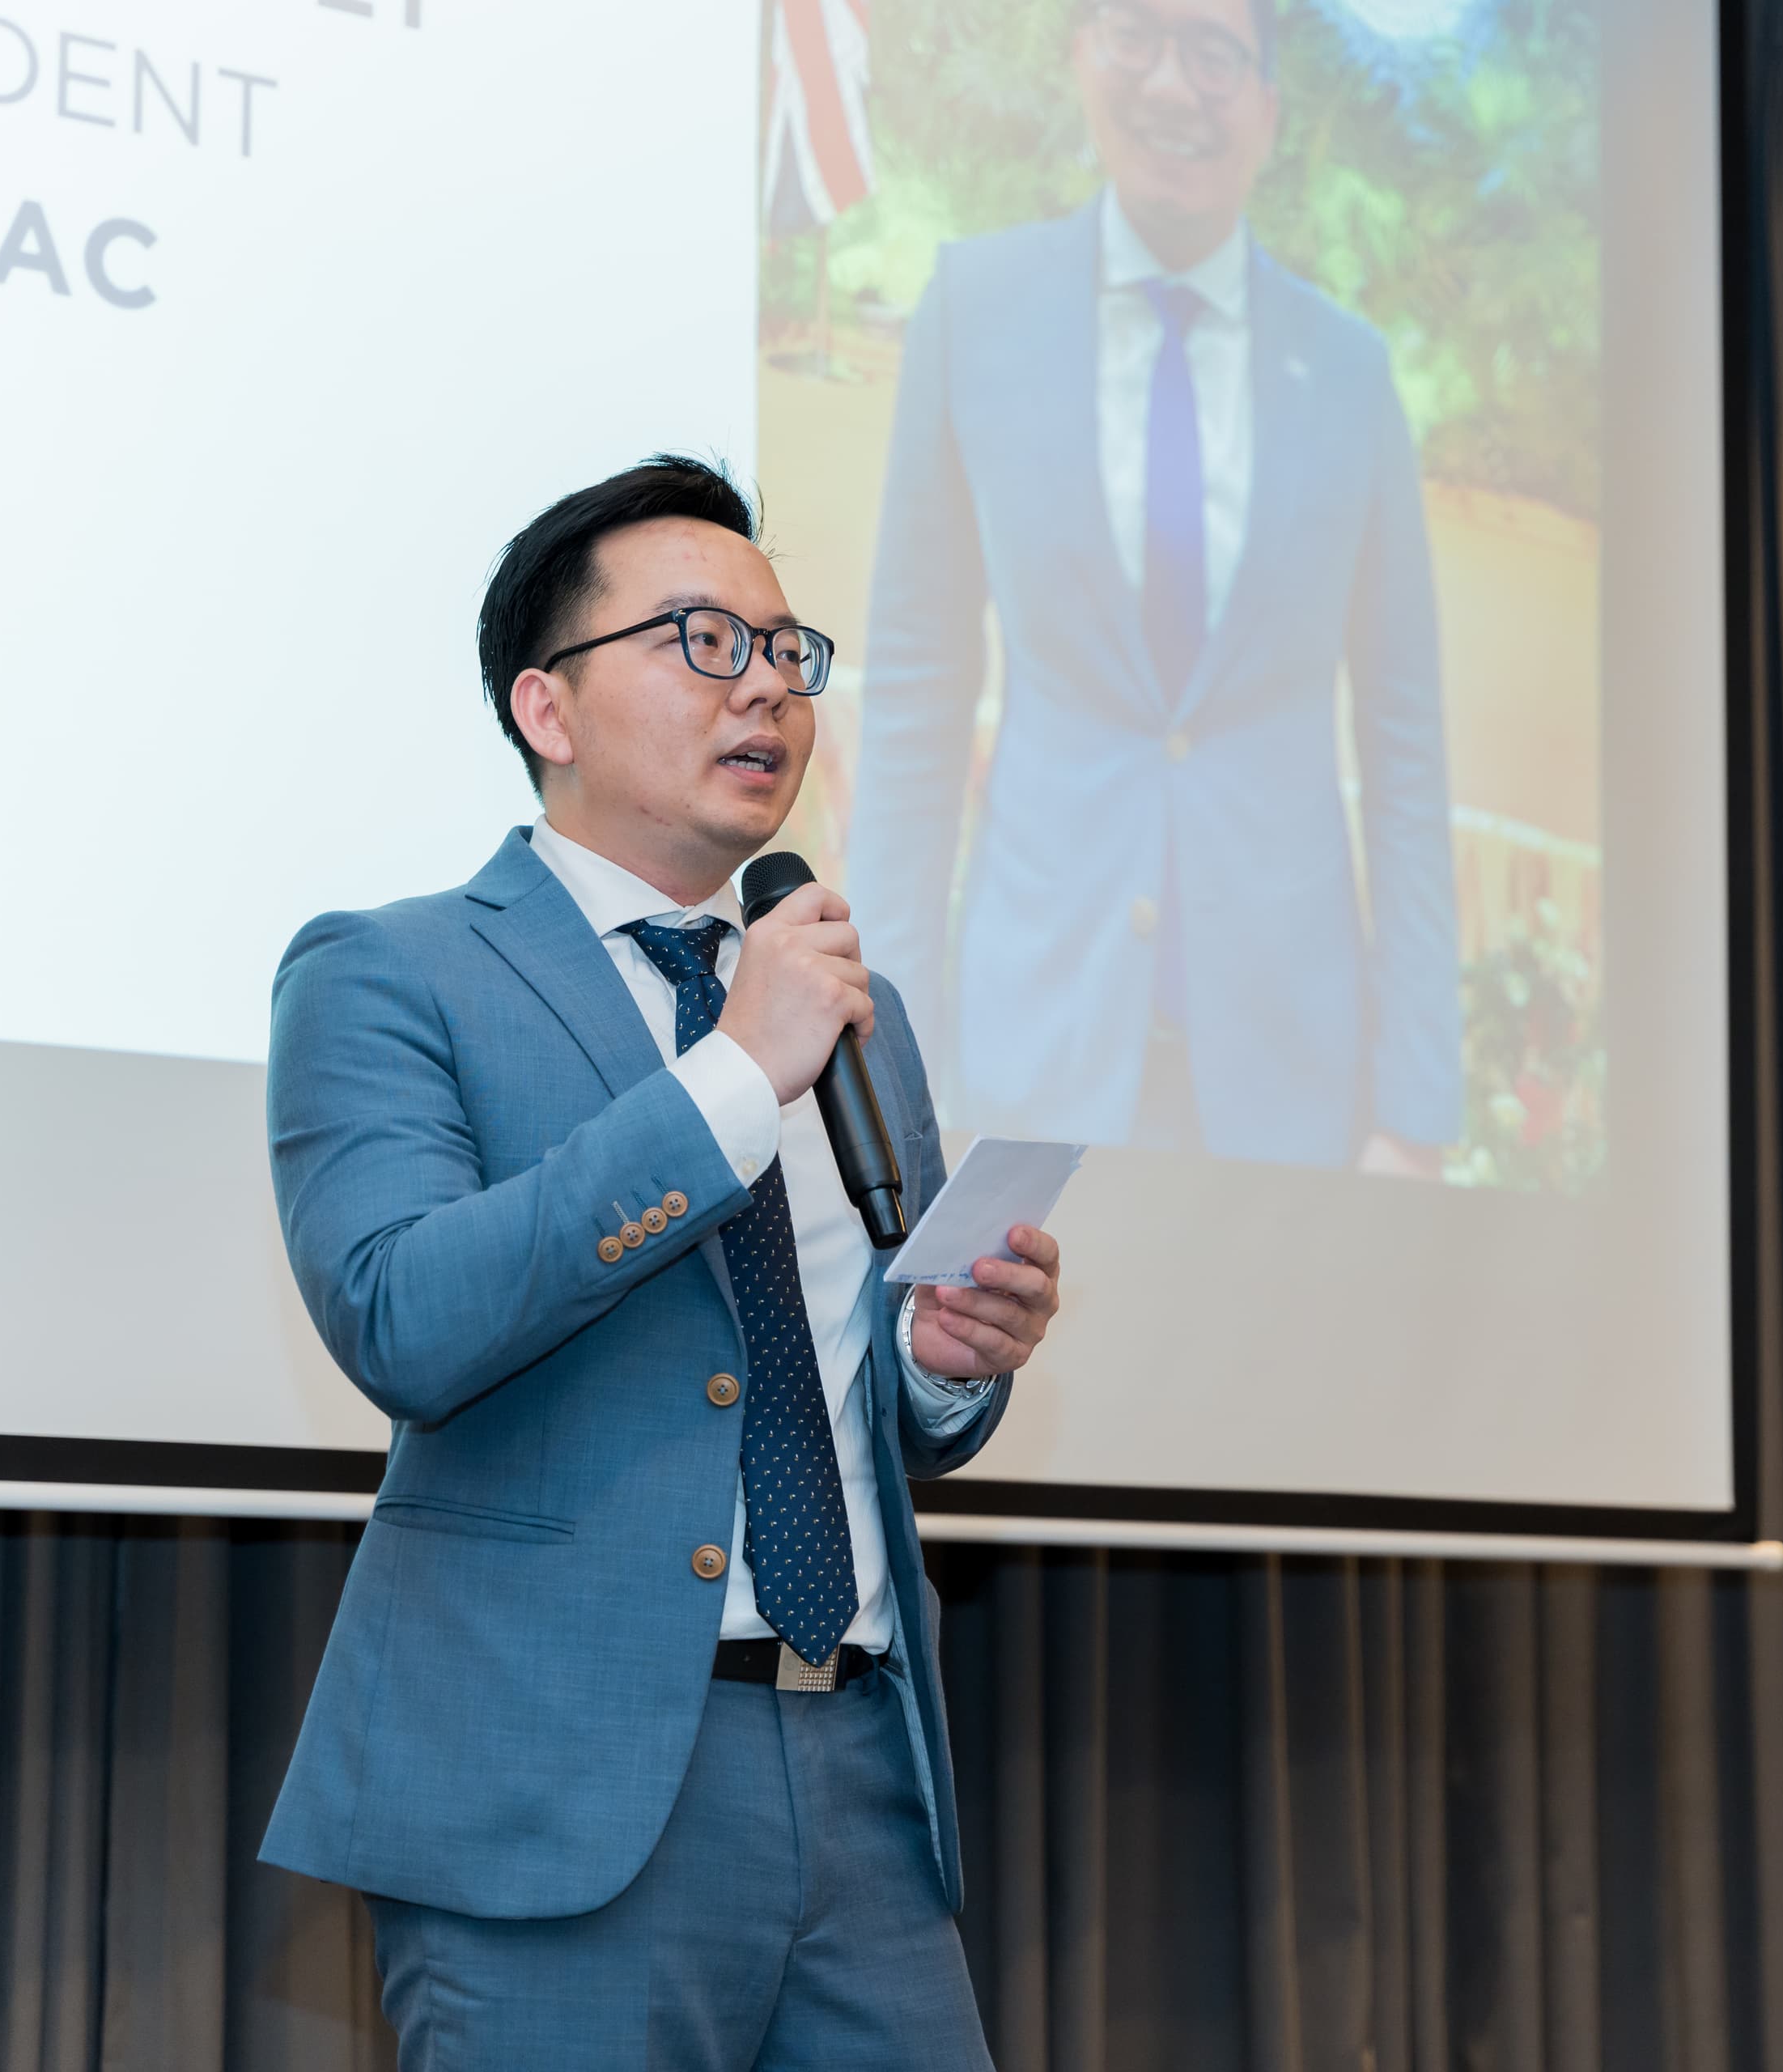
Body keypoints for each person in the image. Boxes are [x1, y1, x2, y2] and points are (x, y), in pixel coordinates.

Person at [261, 456, 1053, 2068]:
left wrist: (941, 1362)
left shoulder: (851, 1005)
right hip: (555, 1787)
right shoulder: (391, 972)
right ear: (546, 706)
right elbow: (402, 1314)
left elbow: (842, 1388)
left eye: (785, 650)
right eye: (703, 640)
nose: (766, 685)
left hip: (863, 1771)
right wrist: (731, 1077)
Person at [848, 0, 1462, 1173]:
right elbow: (918, 698)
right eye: (1139, 35)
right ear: (1084, 56)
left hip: (1292, 1080)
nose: (1174, 84)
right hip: (1034, 1049)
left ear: (1269, 110)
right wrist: (888, 1069)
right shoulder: (973, 313)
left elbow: (1405, 748)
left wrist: (1415, 1110)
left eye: (1217, 53)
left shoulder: (1351, 372)